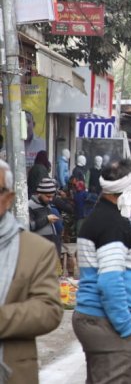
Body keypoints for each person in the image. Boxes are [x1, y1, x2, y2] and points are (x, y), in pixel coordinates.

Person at [74, 159, 131, 383]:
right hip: (106, 321)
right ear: (127, 190)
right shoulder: (112, 224)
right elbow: (109, 281)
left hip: (96, 319)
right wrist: (126, 328)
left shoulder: (99, 217)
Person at [0, 159, 63, 384]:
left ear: (8, 198)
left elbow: (49, 310)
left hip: (12, 371)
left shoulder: (35, 251)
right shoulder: (37, 207)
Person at [29, 178, 62, 256]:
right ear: (39, 193)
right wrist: (47, 219)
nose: (50, 199)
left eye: (52, 197)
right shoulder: (30, 206)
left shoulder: (47, 205)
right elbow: (29, 226)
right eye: (48, 196)